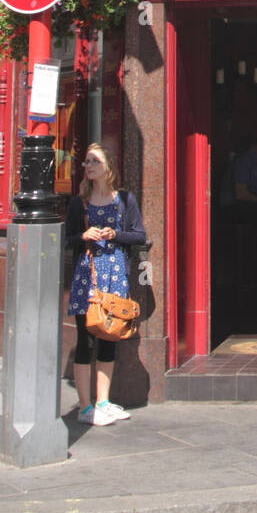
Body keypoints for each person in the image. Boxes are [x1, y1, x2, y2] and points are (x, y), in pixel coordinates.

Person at [65, 144, 146, 427]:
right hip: (87, 277)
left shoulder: (124, 200)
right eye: (86, 161)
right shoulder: (79, 203)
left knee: (110, 336)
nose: (88, 166)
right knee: (85, 340)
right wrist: (83, 234)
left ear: (108, 166)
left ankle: (103, 401)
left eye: (94, 161)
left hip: (114, 274)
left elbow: (139, 235)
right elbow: (68, 240)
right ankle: (85, 407)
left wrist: (116, 234)